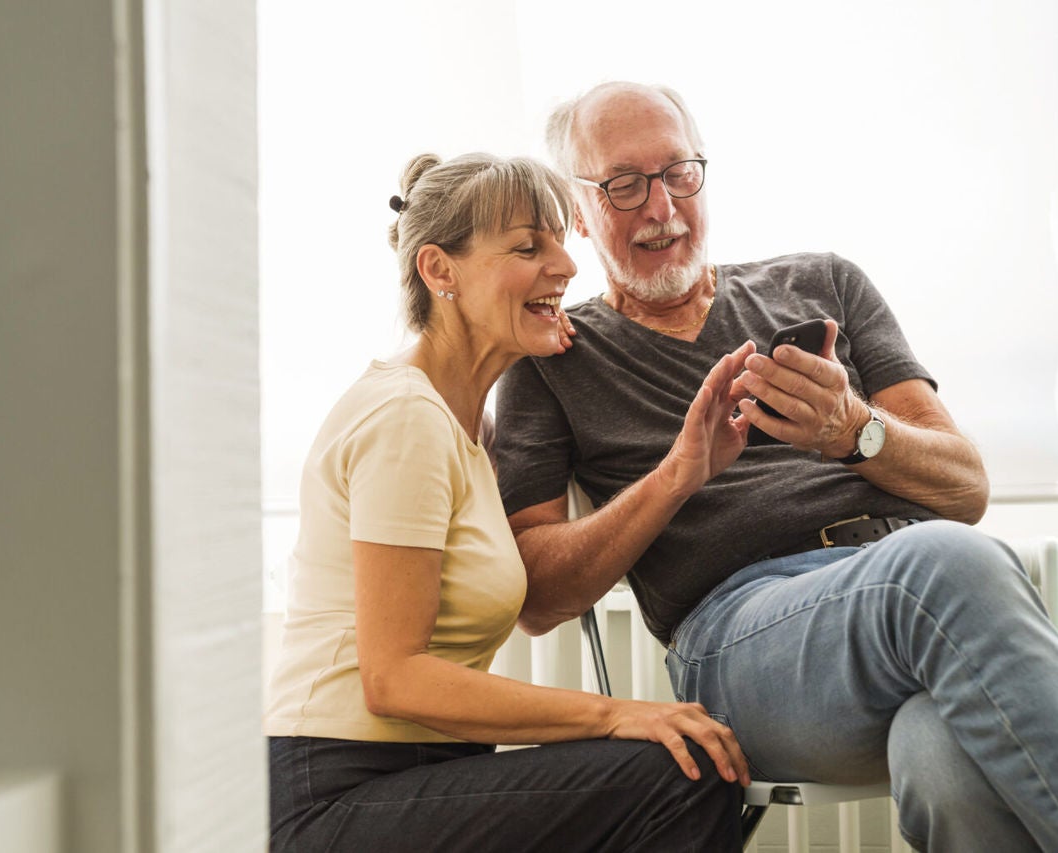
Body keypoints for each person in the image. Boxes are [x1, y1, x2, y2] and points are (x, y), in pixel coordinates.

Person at [493, 82, 1058, 851]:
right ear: (577, 206)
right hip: (742, 642)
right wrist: (678, 475)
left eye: (679, 173)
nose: (662, 208)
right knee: (943, 566)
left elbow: (965, 487)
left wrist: (856, 431)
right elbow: (536, 595)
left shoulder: (822, 283)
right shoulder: (552, 356)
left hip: (909, 595)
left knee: (939, 750)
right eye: (625, 185)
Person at [263, 151, 750, 853]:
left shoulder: (468, 426)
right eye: (528, 247)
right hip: (336, 793)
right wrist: (613, 714)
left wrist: (684, 471)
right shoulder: (405, 417)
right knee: (682, 771)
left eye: (558, 239)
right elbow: (392, 677)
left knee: (681, 764)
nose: (567, 265)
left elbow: (531, 614)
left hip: (425, 773)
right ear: (439, 271)